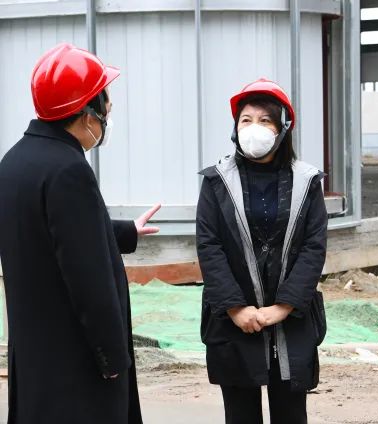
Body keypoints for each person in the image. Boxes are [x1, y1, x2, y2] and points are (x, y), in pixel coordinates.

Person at [0, 43, 161, 423]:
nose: (109, 111)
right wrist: (111, 358)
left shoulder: (15, 161)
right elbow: (89, 279)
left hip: (36, 359)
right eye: (106, 103)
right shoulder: (69, 170)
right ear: (86, 113)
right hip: (75, 368)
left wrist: (125, 232)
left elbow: (47, 234)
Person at [196, 78, 327, 424]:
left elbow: (314, 246)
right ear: (235, 128)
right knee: (240, 415)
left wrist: (283, 306)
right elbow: (209, 246)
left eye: (265, 120)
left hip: (291, 321)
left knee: (291, 414)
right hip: (234, 322)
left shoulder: (306, 181)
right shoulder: (216, 181)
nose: (254, 128)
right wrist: (236, 308)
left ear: (282, 129)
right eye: (246, 120)